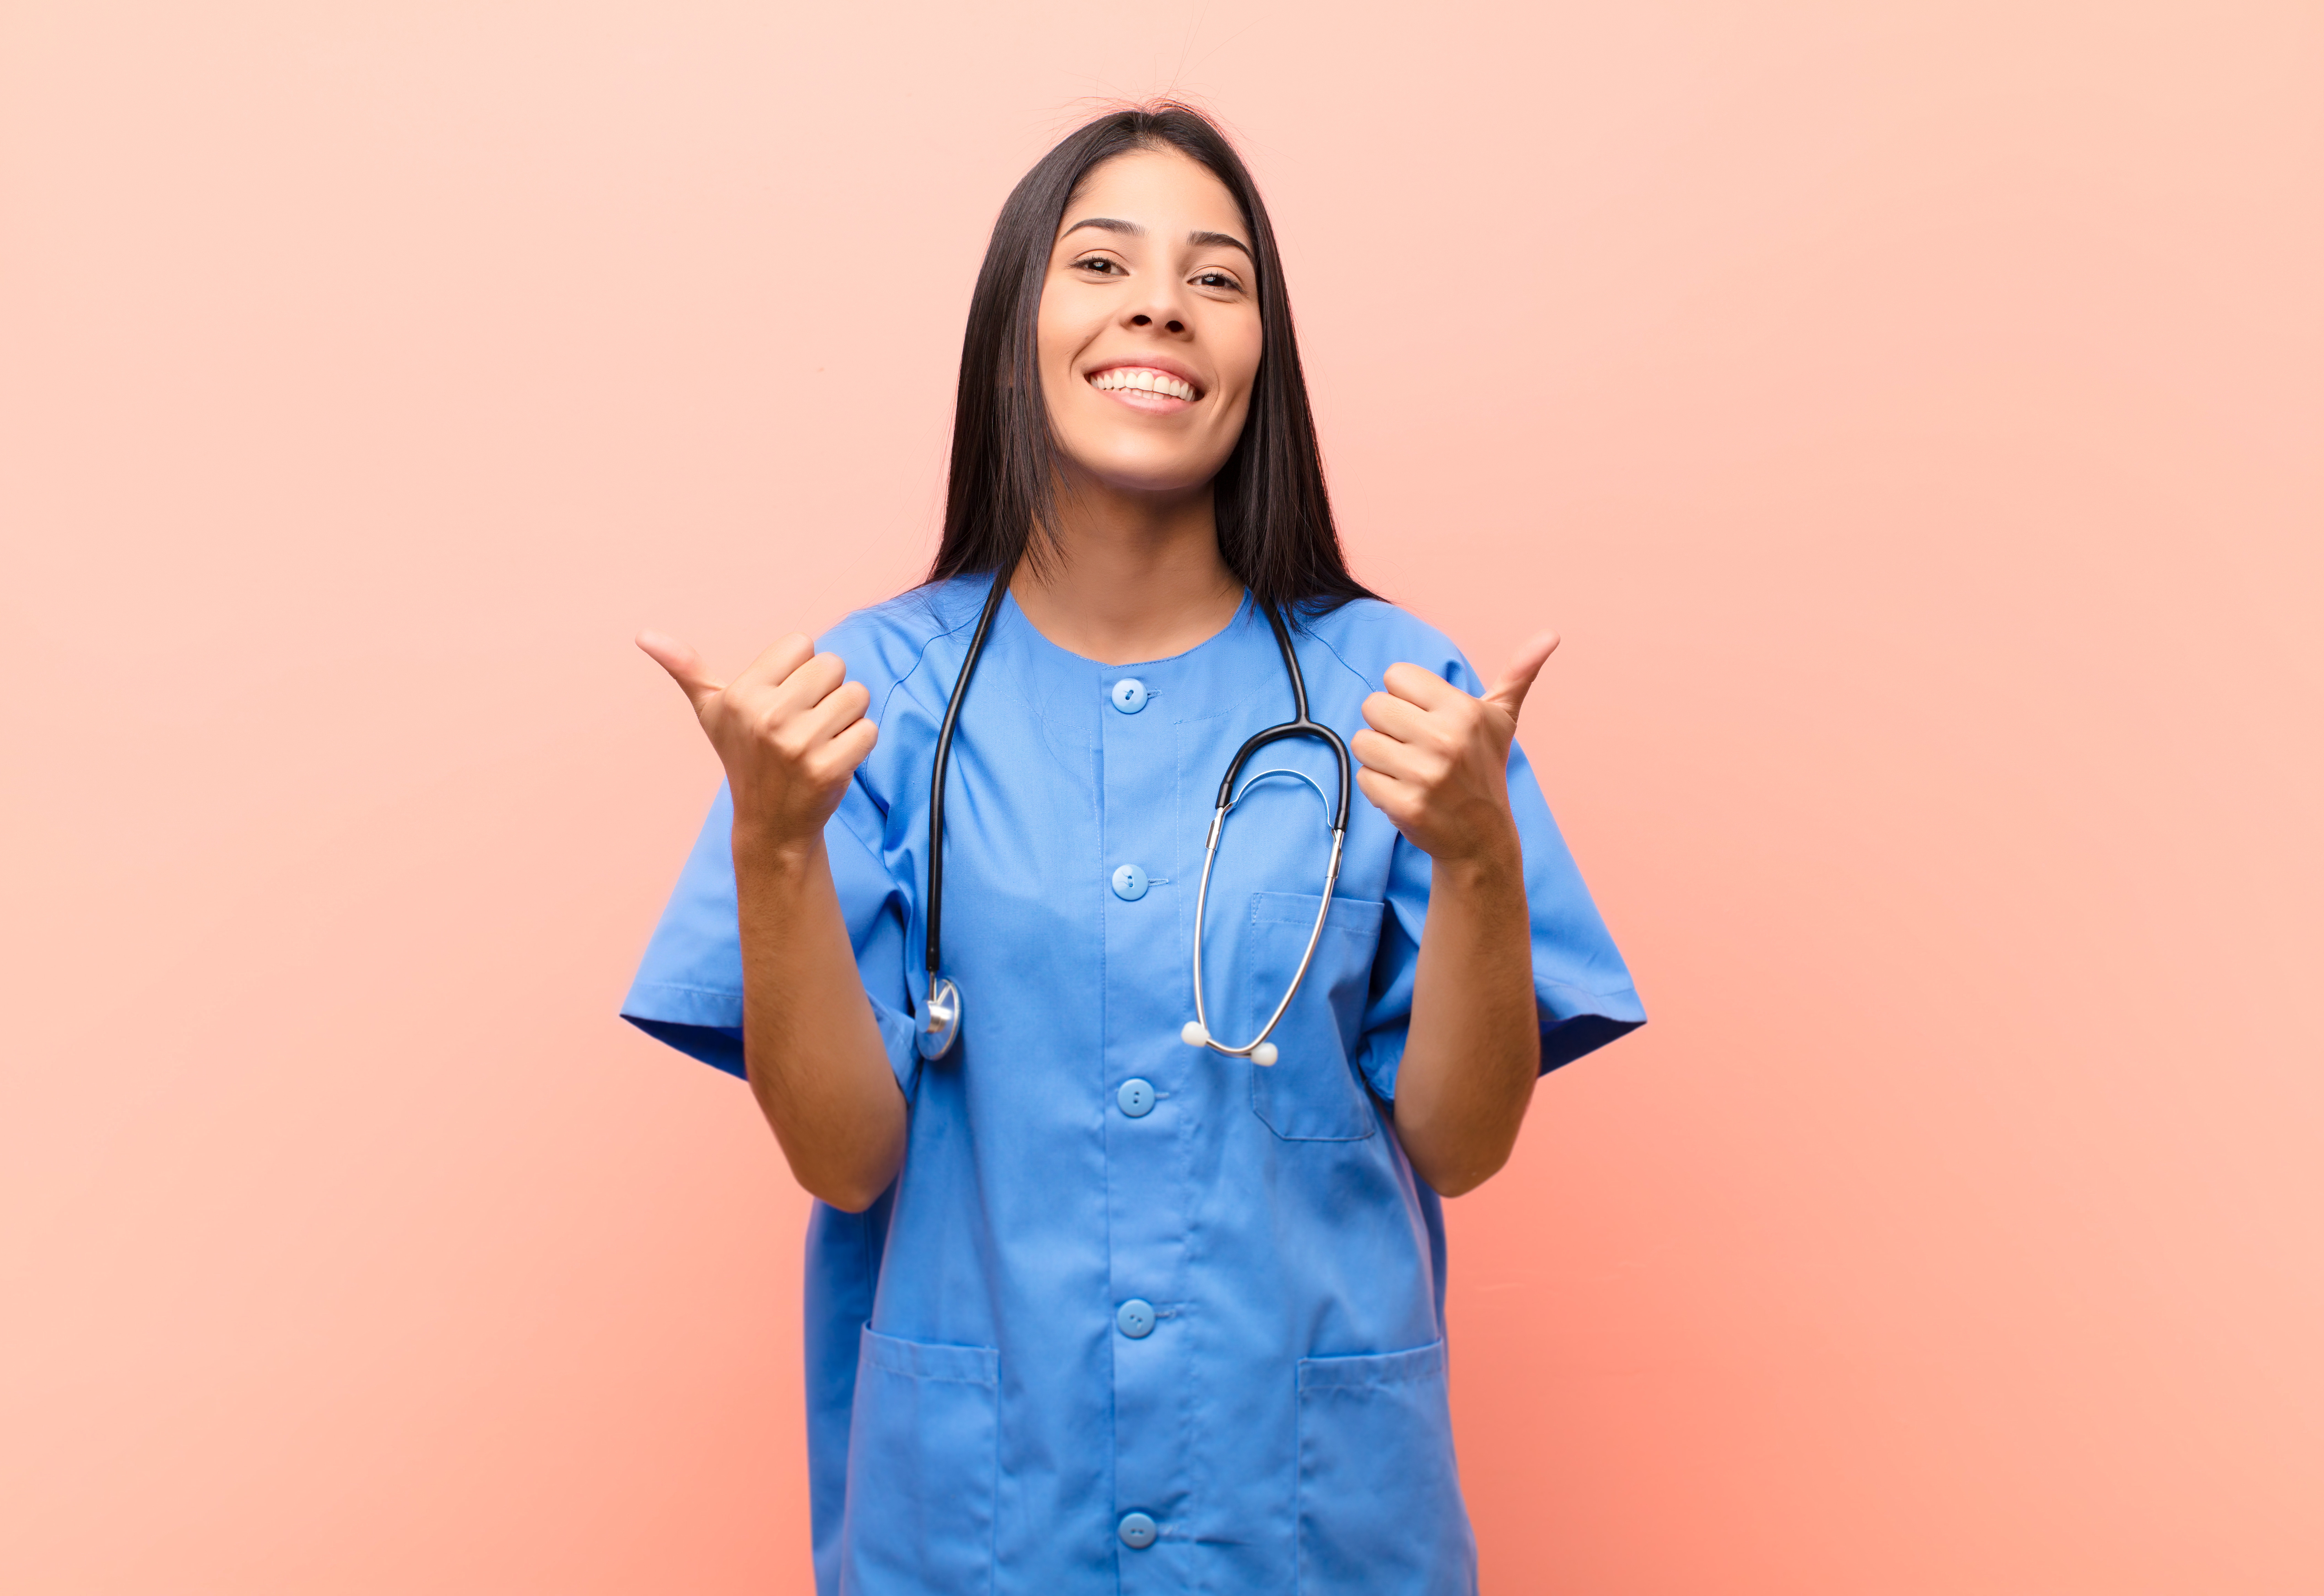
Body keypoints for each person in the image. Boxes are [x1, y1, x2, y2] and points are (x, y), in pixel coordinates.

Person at [622, 103, 1643, 1596]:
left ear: (1261, 362)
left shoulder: (1396, 696)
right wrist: (774, 848)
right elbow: (847, 1159)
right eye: (1103, 262)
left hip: (1312, 1530)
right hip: (978, 1528)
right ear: (1013, 330)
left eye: (1218, 277)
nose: (1163, 300)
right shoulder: (863, 708)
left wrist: (1482, 864)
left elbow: (1462, 1145)